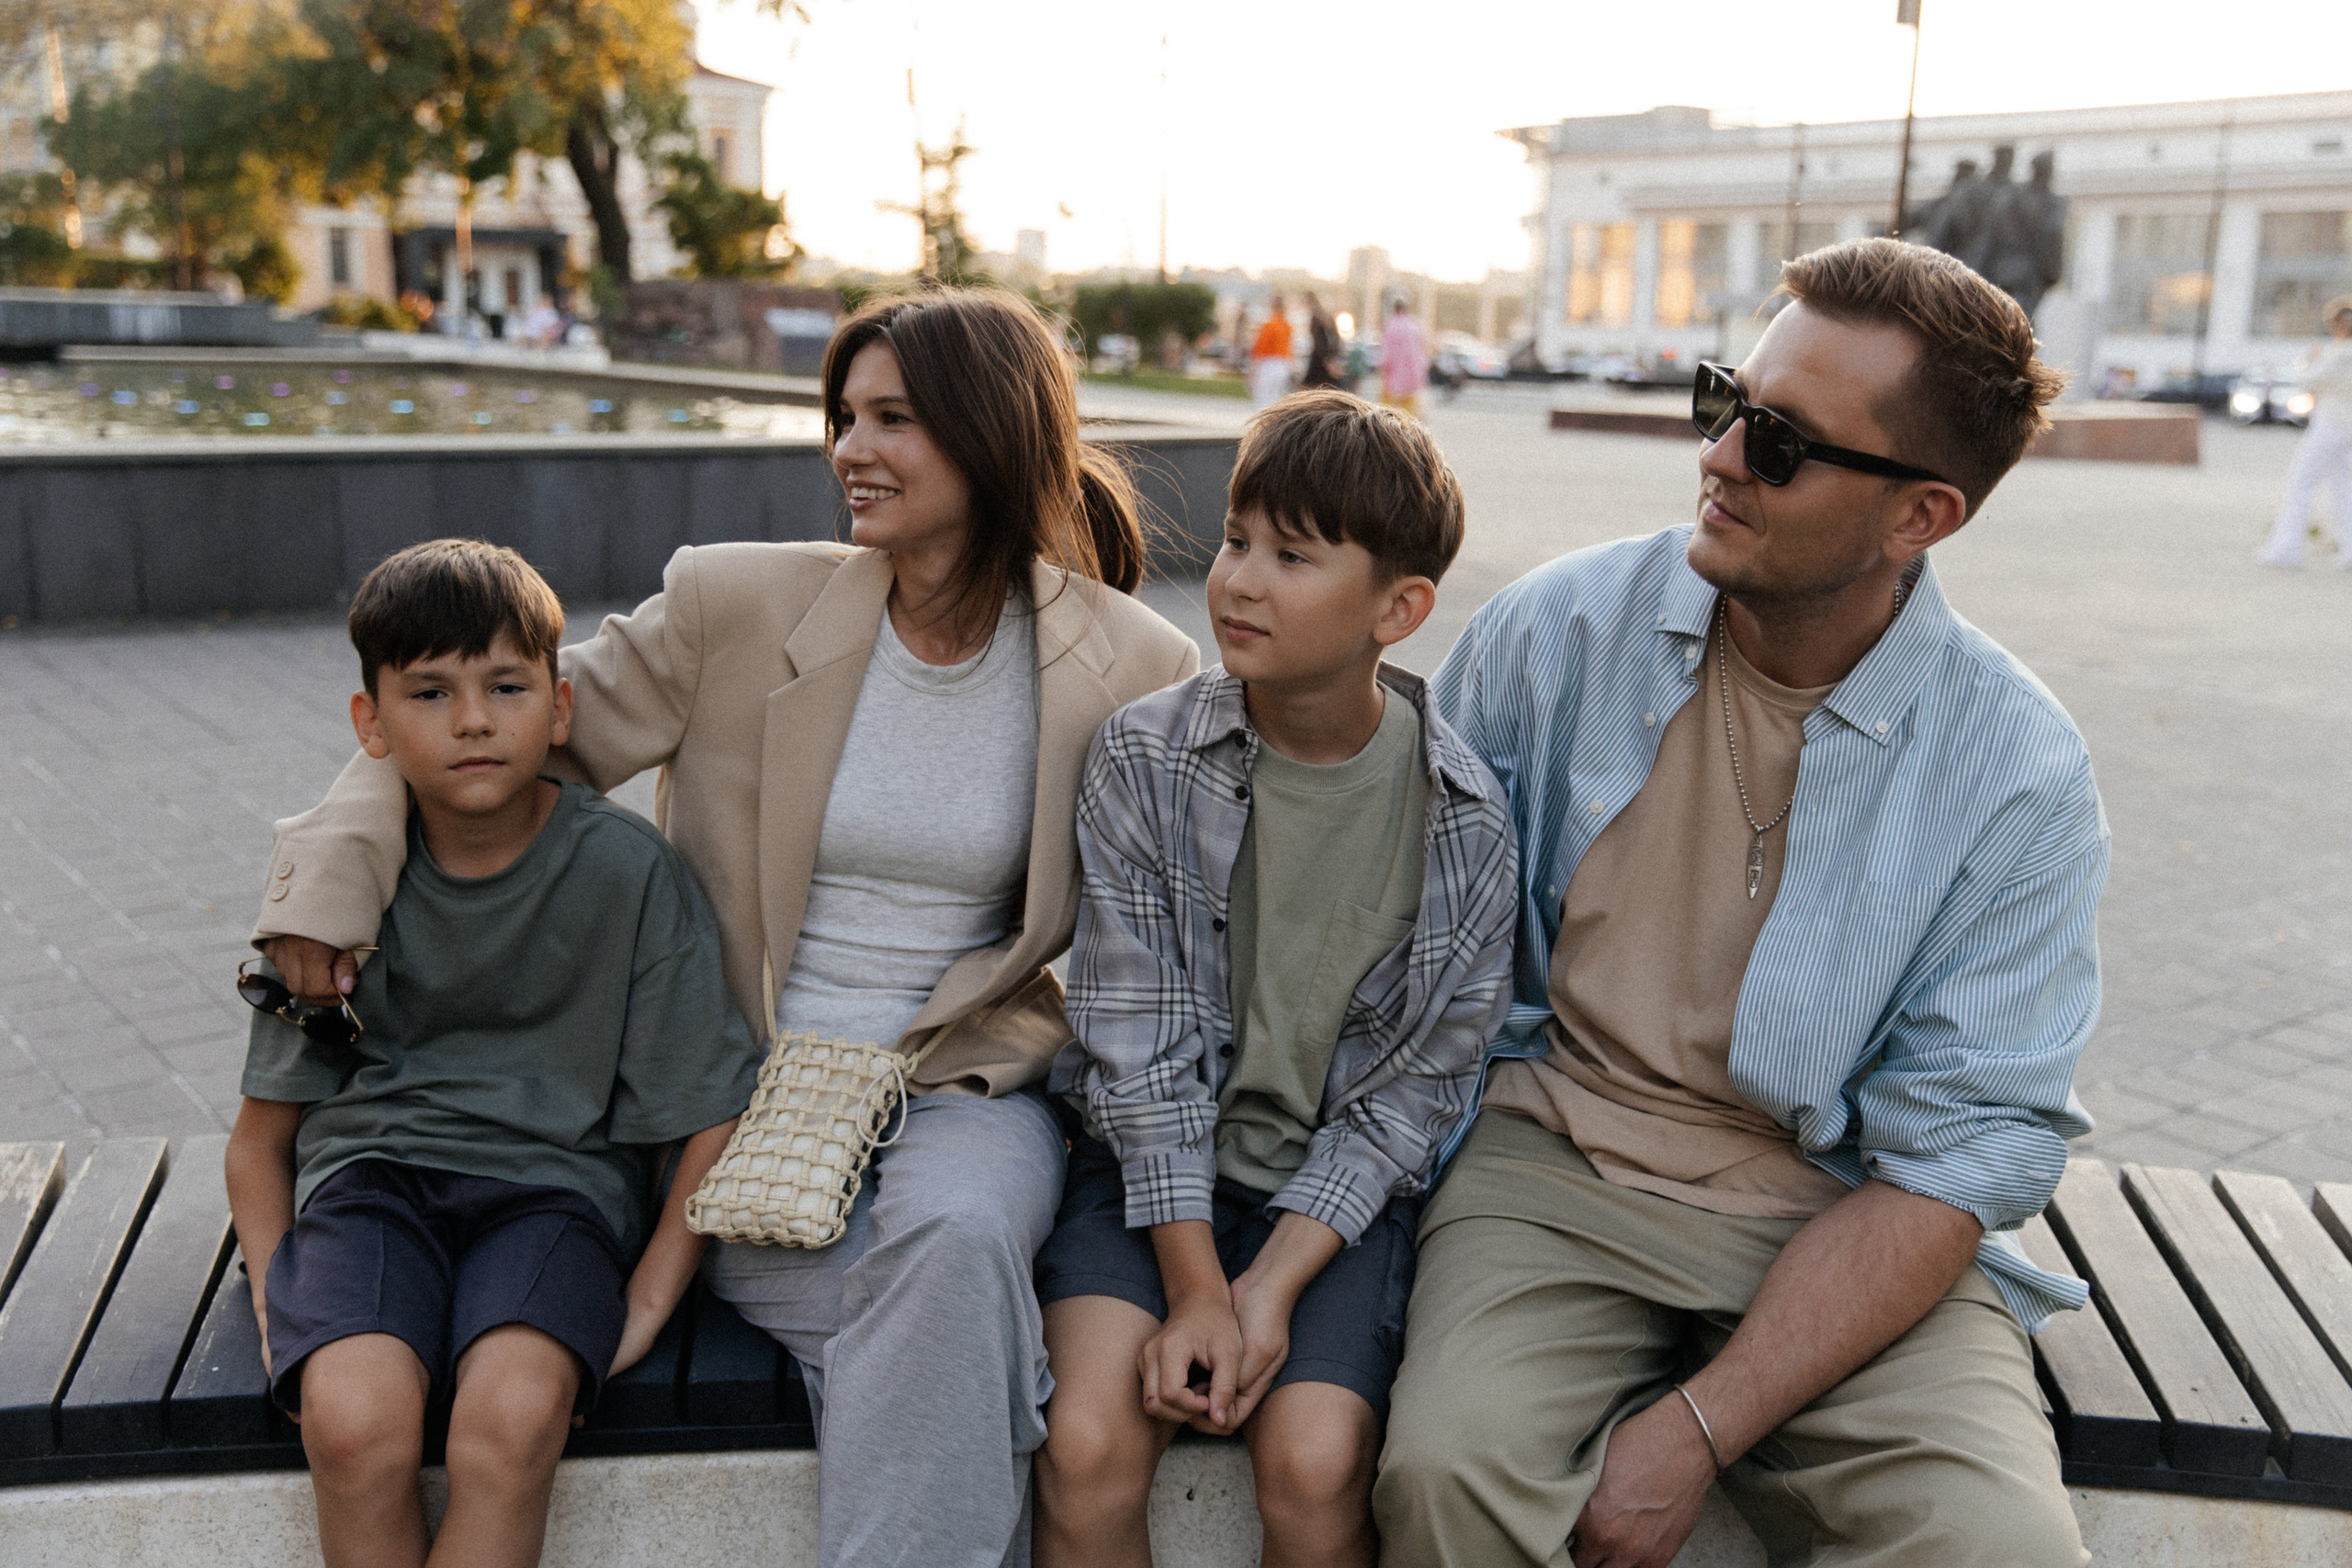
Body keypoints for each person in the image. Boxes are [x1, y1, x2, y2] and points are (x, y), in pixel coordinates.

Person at [251, 288, 1201, 1568]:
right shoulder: (734, 606)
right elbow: (488, 733)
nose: (847, 449)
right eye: (843, 415)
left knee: (962, 1236)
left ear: (990, 433)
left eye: (893, 419)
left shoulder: (1133, 662)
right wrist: (329, 872)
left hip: (967, 1081)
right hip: (741, 1102)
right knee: (950, 1324)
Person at [1374, 237, 2105, 1568]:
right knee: (1447, 1474)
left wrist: (1701, 1423)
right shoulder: (1556, 635)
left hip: (1844, 1203)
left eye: (1779, 443)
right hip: (1555, 1158)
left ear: (1919, 516)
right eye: (1726, 400)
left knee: (2002, 1547)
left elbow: (1957, 1157)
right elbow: (1406, 956)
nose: (1717, 454)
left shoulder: (2018, 769)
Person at [1034, 390, 1518, 1568]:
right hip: (1147, 1178)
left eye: (1292, 557)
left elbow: (1414, 1098)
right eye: (1240, 539)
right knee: (1089, 1441)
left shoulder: (1464, 823)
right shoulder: (1145, 759)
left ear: (1397, 610)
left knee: (1314, 1460)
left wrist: (1272, 1288)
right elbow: (1133, 1051)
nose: (1240, 581)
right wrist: (1199, 1287)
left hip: (1334, 1206)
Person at [226, 539, 757, 1568]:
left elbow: (709, 1114)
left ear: (558, 708)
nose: (473, 719)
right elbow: (260, 1141)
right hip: (371, 1187)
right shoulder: (339, 897)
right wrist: (271, 1288)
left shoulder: (627, 874)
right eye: (430, 692)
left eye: (505, 686)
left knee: (509, 1424)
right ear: (369, 724)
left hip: (556, 1196)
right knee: (350, 1420)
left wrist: (649, 1295)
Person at [2256, 294, 2352, 570]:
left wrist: (2308, 360)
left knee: (2301, 484)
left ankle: (2286, 549)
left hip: (2331, 423)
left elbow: (2307, 380)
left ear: (2339, 326)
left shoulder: (2339, 353)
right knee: (2344, 487)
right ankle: (2350, 550)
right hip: (2349, 427)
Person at [1378, 299, 1429, 419]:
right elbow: (1421, 354)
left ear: (1394, 309)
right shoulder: (1415, 327)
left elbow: (1386, 356)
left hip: (1392, 378)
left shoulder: (1390, 326)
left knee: (1386, 415)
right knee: (1409, 415)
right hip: (1412, 379)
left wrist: (1382, 373)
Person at [1250, 296, 1296, 408]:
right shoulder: (1287, 326)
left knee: (1263, 396)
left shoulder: (1269, 325)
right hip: (1283, 364)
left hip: (1269, 363)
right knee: (1275, 397)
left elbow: (1261, 348)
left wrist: (1253, 367)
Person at [1302, 292, 1345, 389]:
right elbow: (1336, 339)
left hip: (1319, 360)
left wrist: (1326, 361)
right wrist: (1333, 359)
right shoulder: (1328, 317)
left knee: (1310, 390)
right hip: (1329, 359)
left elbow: (1318, 342)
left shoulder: (1315, 318)